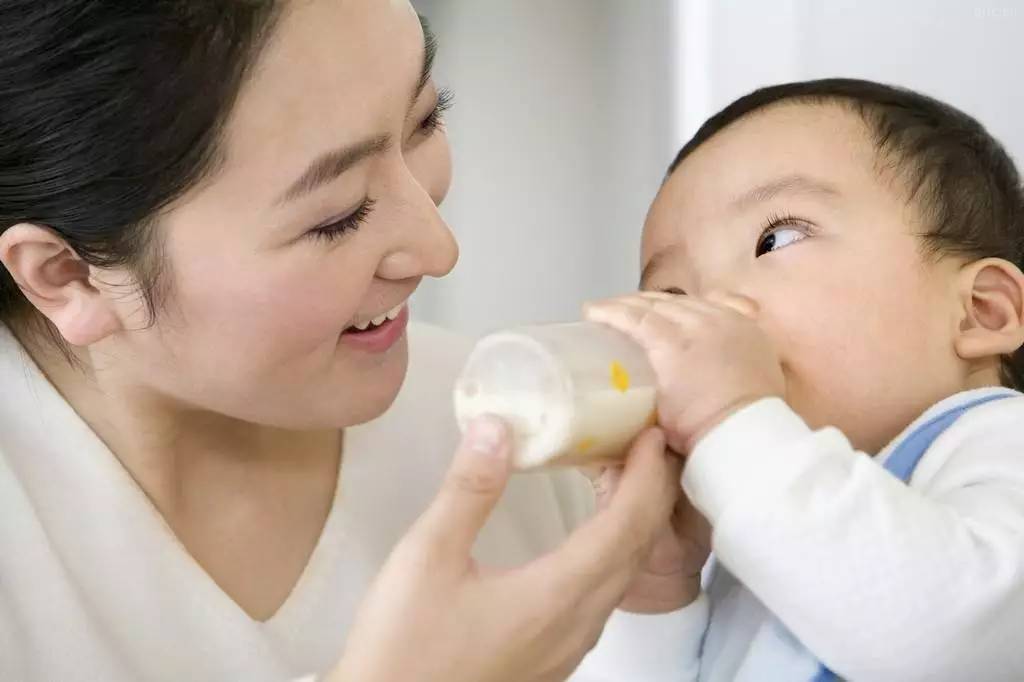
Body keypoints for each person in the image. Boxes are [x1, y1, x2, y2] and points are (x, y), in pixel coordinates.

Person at [0, 2, 683, 680]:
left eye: (425, 119)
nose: (438, 249)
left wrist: (661, 604)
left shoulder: (525, 434)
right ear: (69, 277)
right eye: (338, 216)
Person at [581, 79, 1024, 681]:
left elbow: (948, 640)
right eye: (672, 294)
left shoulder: (999, 441)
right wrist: (653, 591)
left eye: (776, 238)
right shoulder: (751, 533)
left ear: (981, 311)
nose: (714, 306)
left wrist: (727, 418)